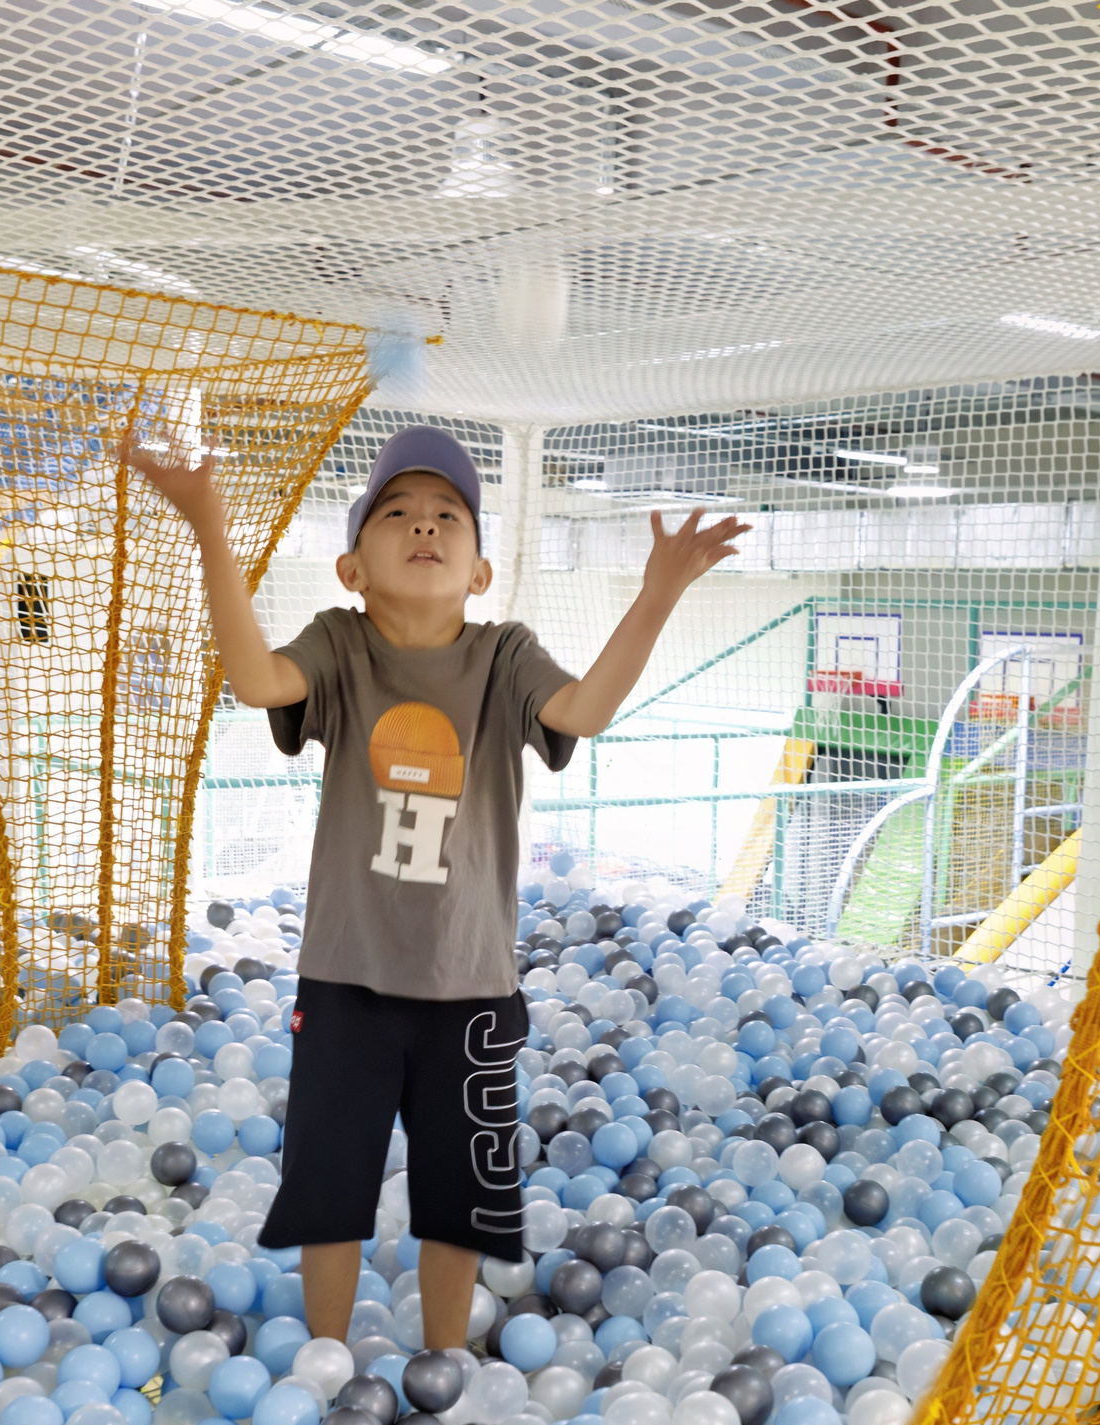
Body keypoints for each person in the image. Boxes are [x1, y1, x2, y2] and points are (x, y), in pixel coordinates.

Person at [121, 421, 749, 1350]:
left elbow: (584, 709)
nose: (425, 525)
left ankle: (444, 1359)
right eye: (398, 512)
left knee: (456, 1196)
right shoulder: (341, 644)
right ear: (351, 567)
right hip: (347, 981)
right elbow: (256, 679)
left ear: (481, 570)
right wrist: (211, 525)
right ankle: (329, 1355)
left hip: (470, 990)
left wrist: (656, 595)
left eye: (449, 513)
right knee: (329, 1184)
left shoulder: (503, 657)